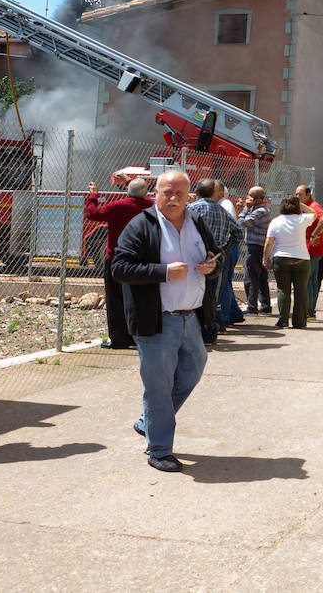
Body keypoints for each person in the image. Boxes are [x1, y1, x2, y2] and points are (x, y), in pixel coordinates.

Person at [110, 170, 220, 473]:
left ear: (189, 197)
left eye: (179, 194)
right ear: (155, 193)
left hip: (191, 318)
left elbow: (214, 255)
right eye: (167, 192)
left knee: (193, 370)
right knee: (158, 387)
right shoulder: (141, 225)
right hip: (156, 320)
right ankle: (159, 450)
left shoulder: (196, 222)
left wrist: (212, 265)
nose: (173, 198)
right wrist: (163, 271)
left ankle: (149, 421)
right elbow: (119, 268)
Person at [84, 175, 153, 349]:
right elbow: (139, 193)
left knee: (115, 300)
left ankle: (119, 339)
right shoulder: (150, 206)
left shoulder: (118, 206)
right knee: (138, 299)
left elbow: (92, 214)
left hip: (116, 259)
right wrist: (129, 181)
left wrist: (93, 195)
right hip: (141, 260)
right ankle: (136, 337)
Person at [188, 179, 242, 331]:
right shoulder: (222, 211)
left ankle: (197, 325)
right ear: (214, 193)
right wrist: (225, 250)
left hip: (194, 257)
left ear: (197, 192)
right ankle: (212, 325)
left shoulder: (191, 209)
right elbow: (238, 233)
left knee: (193, 291)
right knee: (214, 292)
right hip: (216, 258)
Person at [264, 194, 323, 329]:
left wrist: (265, 258)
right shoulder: (302, 219)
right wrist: (299, 204)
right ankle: (300, 322)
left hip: (281, 258)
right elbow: (314, 213)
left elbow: (269, 243)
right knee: (301, 290)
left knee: (283, 290)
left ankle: (283, 320)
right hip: (301, 259)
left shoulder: (275, 221)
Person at [295, 184, 323, 318]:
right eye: (296, 194)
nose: (297, 197)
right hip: (312, 249)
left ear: (308, 194)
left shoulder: (313, 206)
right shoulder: (305, 207)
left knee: (308, 280)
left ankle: (309, 310)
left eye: (300, 194)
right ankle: (311, 309)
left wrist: (313, 235)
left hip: (312, 249)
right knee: (312, 280)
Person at [239, 186, 273, 314]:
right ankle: (265, 305)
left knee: (251, 277)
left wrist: (245, 209)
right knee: (261, 277)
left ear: (258, 199)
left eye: (250, 196)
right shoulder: (260, 210)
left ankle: (252, 306)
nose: (247, 199)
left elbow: (243, 223)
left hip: (255, 247)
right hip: (259, 247)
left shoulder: (261, 211)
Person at [214, 182, 244, 324]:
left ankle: (224, 316)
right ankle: (234, 313)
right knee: (226, 282)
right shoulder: (223, 204)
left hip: (227, 247)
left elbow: (233, 228)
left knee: (224, 282)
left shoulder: (224, 204)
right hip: (228, 247)